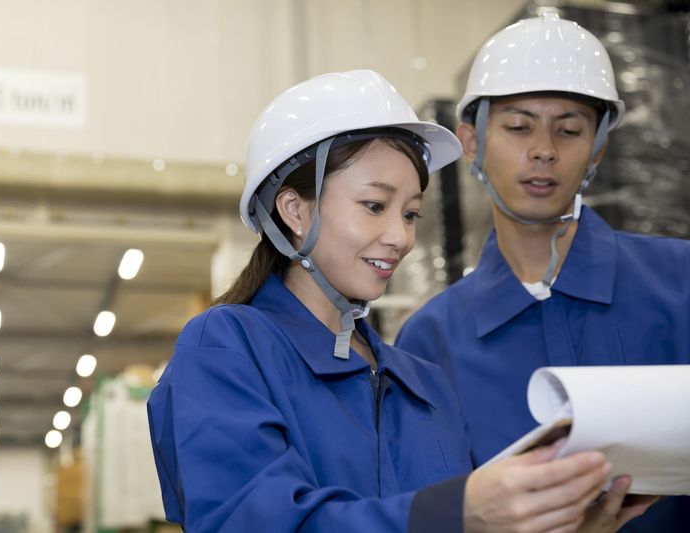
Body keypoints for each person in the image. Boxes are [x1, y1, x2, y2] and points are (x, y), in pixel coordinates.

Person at [147, 69, 649, 532]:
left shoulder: (423, 380)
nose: (400, 238)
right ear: (295, 210)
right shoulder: (227, 347)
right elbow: (249, 518)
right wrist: (459, 510)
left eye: (410, 214)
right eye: (375, 205)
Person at [395, 12, 689, 531]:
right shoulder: (431, 341)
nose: (544, 151)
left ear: (598, 147)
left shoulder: (679, 281)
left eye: (570, 130)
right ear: (470, 142)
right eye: (518, 126)